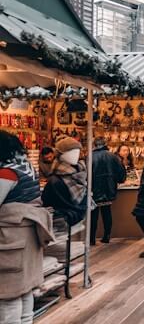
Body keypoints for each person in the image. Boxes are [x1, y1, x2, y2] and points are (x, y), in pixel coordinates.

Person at [0, 131, 55, 324]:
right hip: (28, 234)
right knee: (24, 290)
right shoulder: (26, 167)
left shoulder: (7, 172)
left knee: (9, 293)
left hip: (11, 237)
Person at [42, 137, 91, 227]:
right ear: (60, 155)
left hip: (74, 217)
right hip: (65, 220)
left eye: (77, 152)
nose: (75, 155)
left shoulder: (81, 172)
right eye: (71, 152)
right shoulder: (55, 180)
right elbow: (48, 202)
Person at [90, 137, 126, 245]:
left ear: (95, 145)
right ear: (105, 144)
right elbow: (121, 173)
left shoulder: (90, 157)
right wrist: (119, 180)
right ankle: (107, 236)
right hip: (108, 188)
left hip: (94, 189)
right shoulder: (113, 157)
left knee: (93, 214)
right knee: (107, 212)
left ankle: (91, 238)